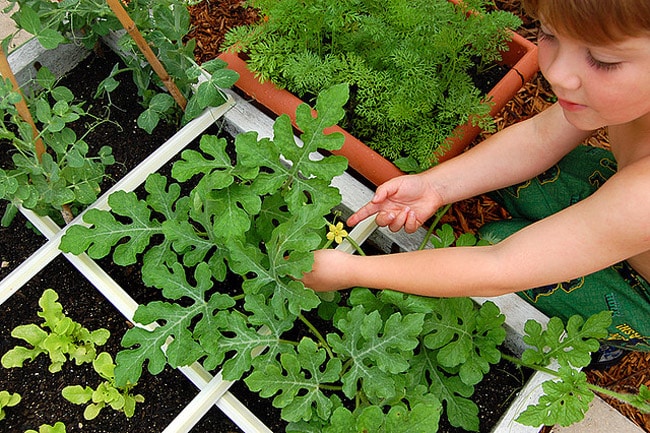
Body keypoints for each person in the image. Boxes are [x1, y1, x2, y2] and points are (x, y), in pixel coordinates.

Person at [301, 0, 650, 362]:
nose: (559, 73)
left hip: (643, 288)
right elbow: (539, 139)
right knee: (520, 176)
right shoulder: (618, 95)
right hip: (626, 210)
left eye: (602, 60)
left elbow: (500, 266)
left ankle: (608, 341)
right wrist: (435, 186)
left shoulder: (644, 197)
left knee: (498, 241)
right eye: (548, 34)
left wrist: (351, 270)